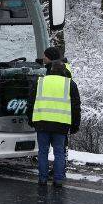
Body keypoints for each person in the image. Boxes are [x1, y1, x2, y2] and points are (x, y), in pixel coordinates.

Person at [31, 60, 81, 188]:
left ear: (50, 70)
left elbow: (31, 102)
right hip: (61, 124)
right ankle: (58, 180)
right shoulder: (70, 84)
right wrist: (75, 125)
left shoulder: (39, 82)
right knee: (59, 153)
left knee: (43, 151)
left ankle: (42, 179)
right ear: (63, 71)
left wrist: (30, 119)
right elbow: (76, 107)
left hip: (41, 122)